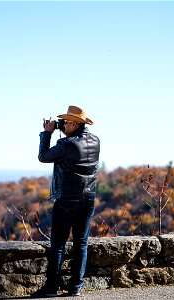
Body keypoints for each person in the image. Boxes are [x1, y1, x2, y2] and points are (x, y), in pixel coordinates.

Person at [33, 105, 100, 297]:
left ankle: (51, 287)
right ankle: (75, 288)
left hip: (68, 200)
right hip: (88, 198)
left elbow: (43, 157)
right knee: (81, 243)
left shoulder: (66, 144)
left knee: (58, 245)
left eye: (65, 122)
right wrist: (61, 130)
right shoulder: (96, 141)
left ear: (75, 123)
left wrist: (47, 133)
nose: (62, 125)